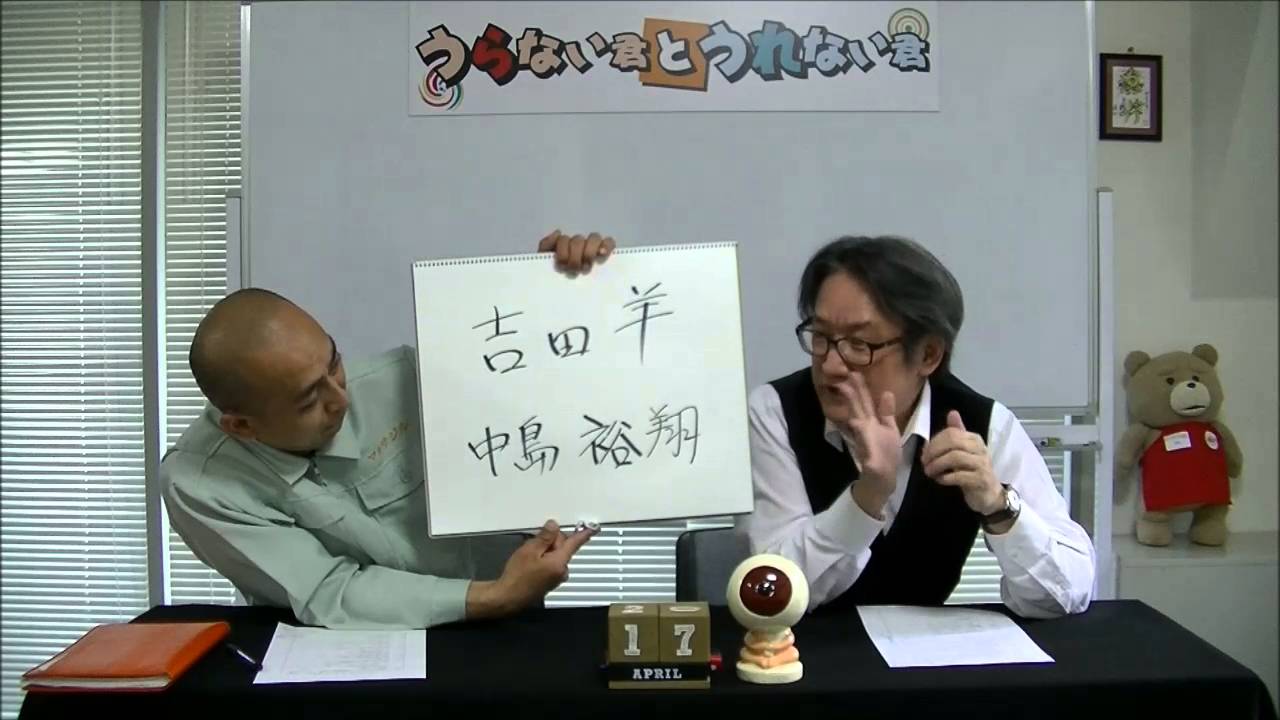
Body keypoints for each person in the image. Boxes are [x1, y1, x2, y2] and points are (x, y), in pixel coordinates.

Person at [161, 231, 616, 629]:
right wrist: (496, 596)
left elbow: (532, 397)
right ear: (242, 426)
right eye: (308, 400)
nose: (341, 399)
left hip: (505, 628)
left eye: (334, 363)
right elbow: (328, 590)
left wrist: (554, 295)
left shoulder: (401, 380)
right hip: (350, 659)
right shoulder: (201, 483)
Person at [737, 235, 1096, 619]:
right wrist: (867, 497)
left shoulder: (982, 424)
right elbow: (769, 591)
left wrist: (998, 506)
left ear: (928, 354)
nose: (831, 366)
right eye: (821, 337)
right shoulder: (775, 411)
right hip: (802, 650)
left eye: (859, 344)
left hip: (926, 653)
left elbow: (1069, 592)